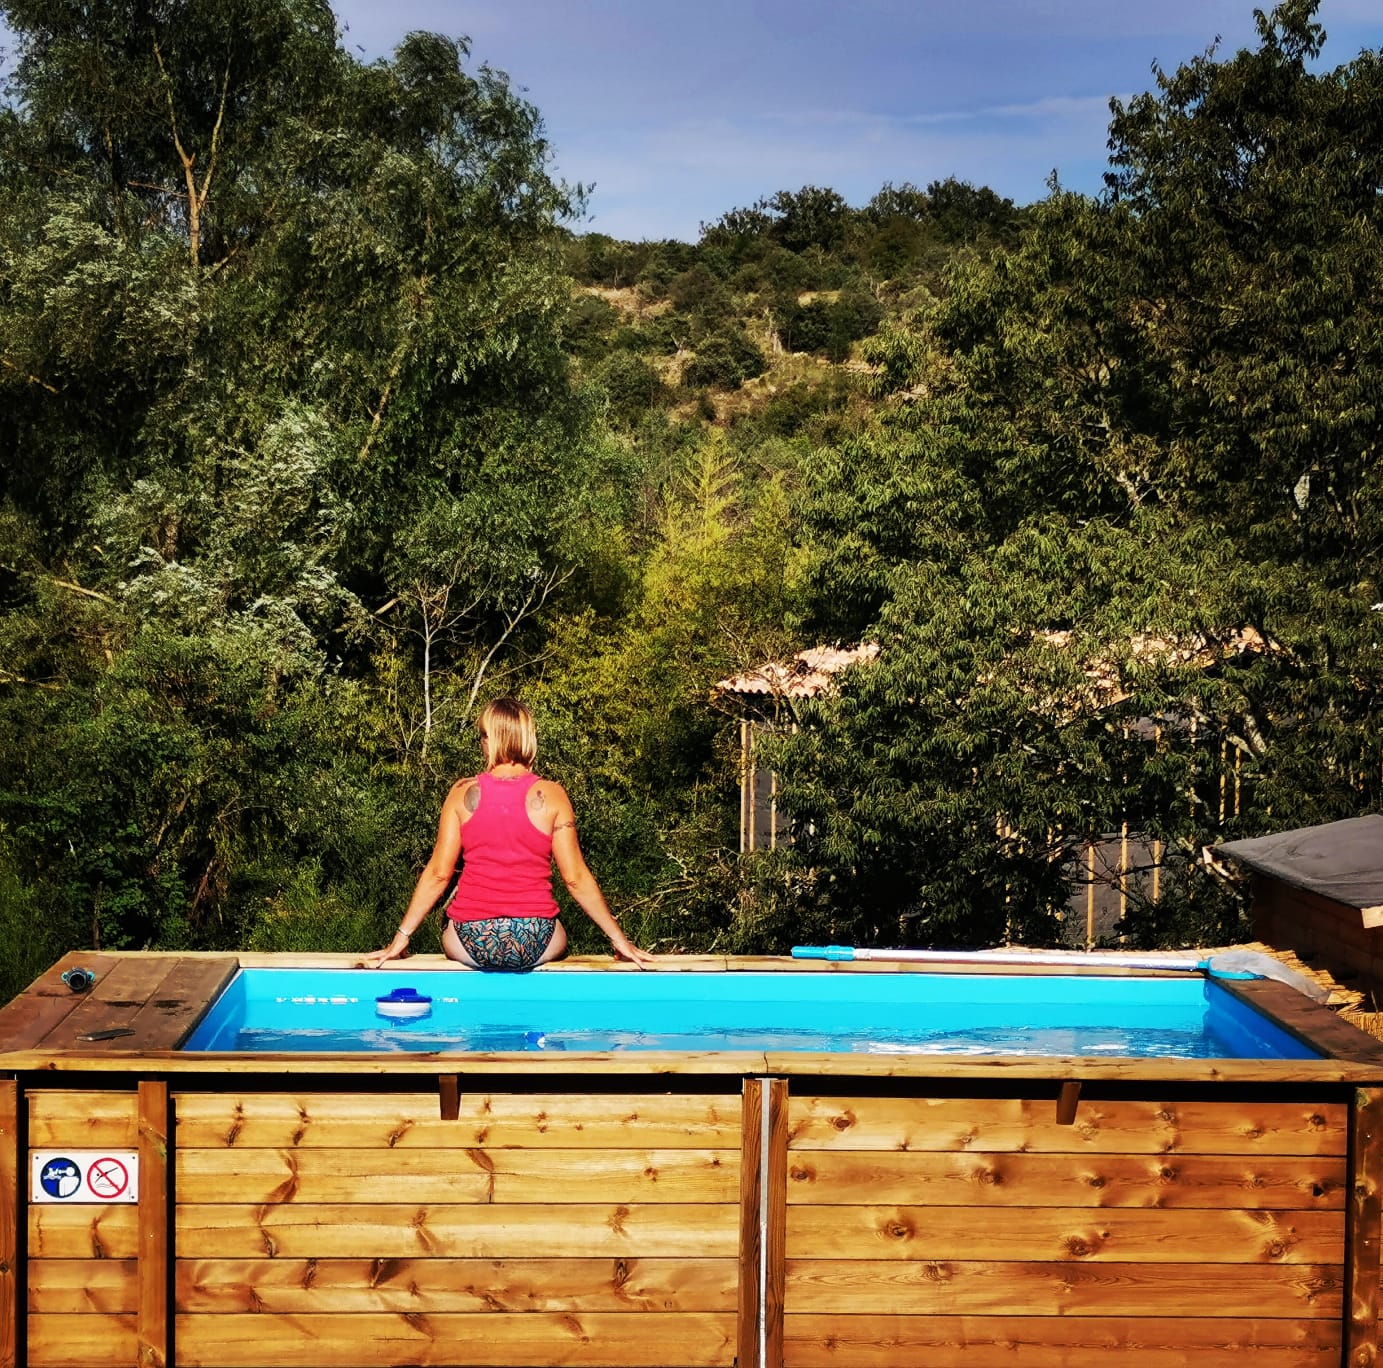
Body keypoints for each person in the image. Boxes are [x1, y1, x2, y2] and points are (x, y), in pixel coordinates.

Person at [363, 696, 655, 971]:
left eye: (483, 736)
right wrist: (620, 939)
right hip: (536, 940)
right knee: (557, 928)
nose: (482, 744)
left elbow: (440, 873)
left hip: (470, 939)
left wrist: (401, 937)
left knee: (451, 924)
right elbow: (575, 878)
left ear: (492, 740)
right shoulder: (552, 795)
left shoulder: (461, 793)